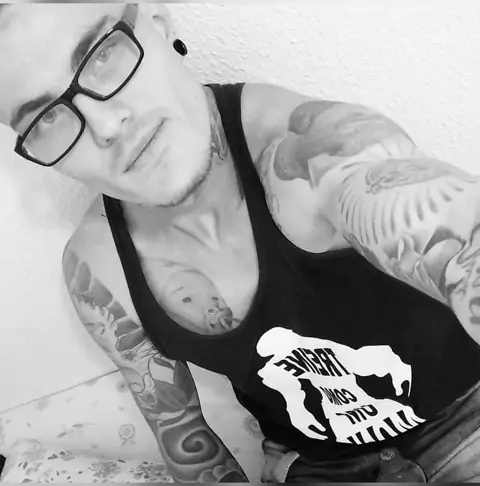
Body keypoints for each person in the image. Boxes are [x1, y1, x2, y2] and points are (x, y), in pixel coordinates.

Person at [1, 2, 480, 483]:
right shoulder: (99, 272)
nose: (106, 127)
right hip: (316, 462)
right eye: (45, 118)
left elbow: (444, 227)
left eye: (103, 54)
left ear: (159, 26)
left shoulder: (316, 155)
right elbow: (188, 445)